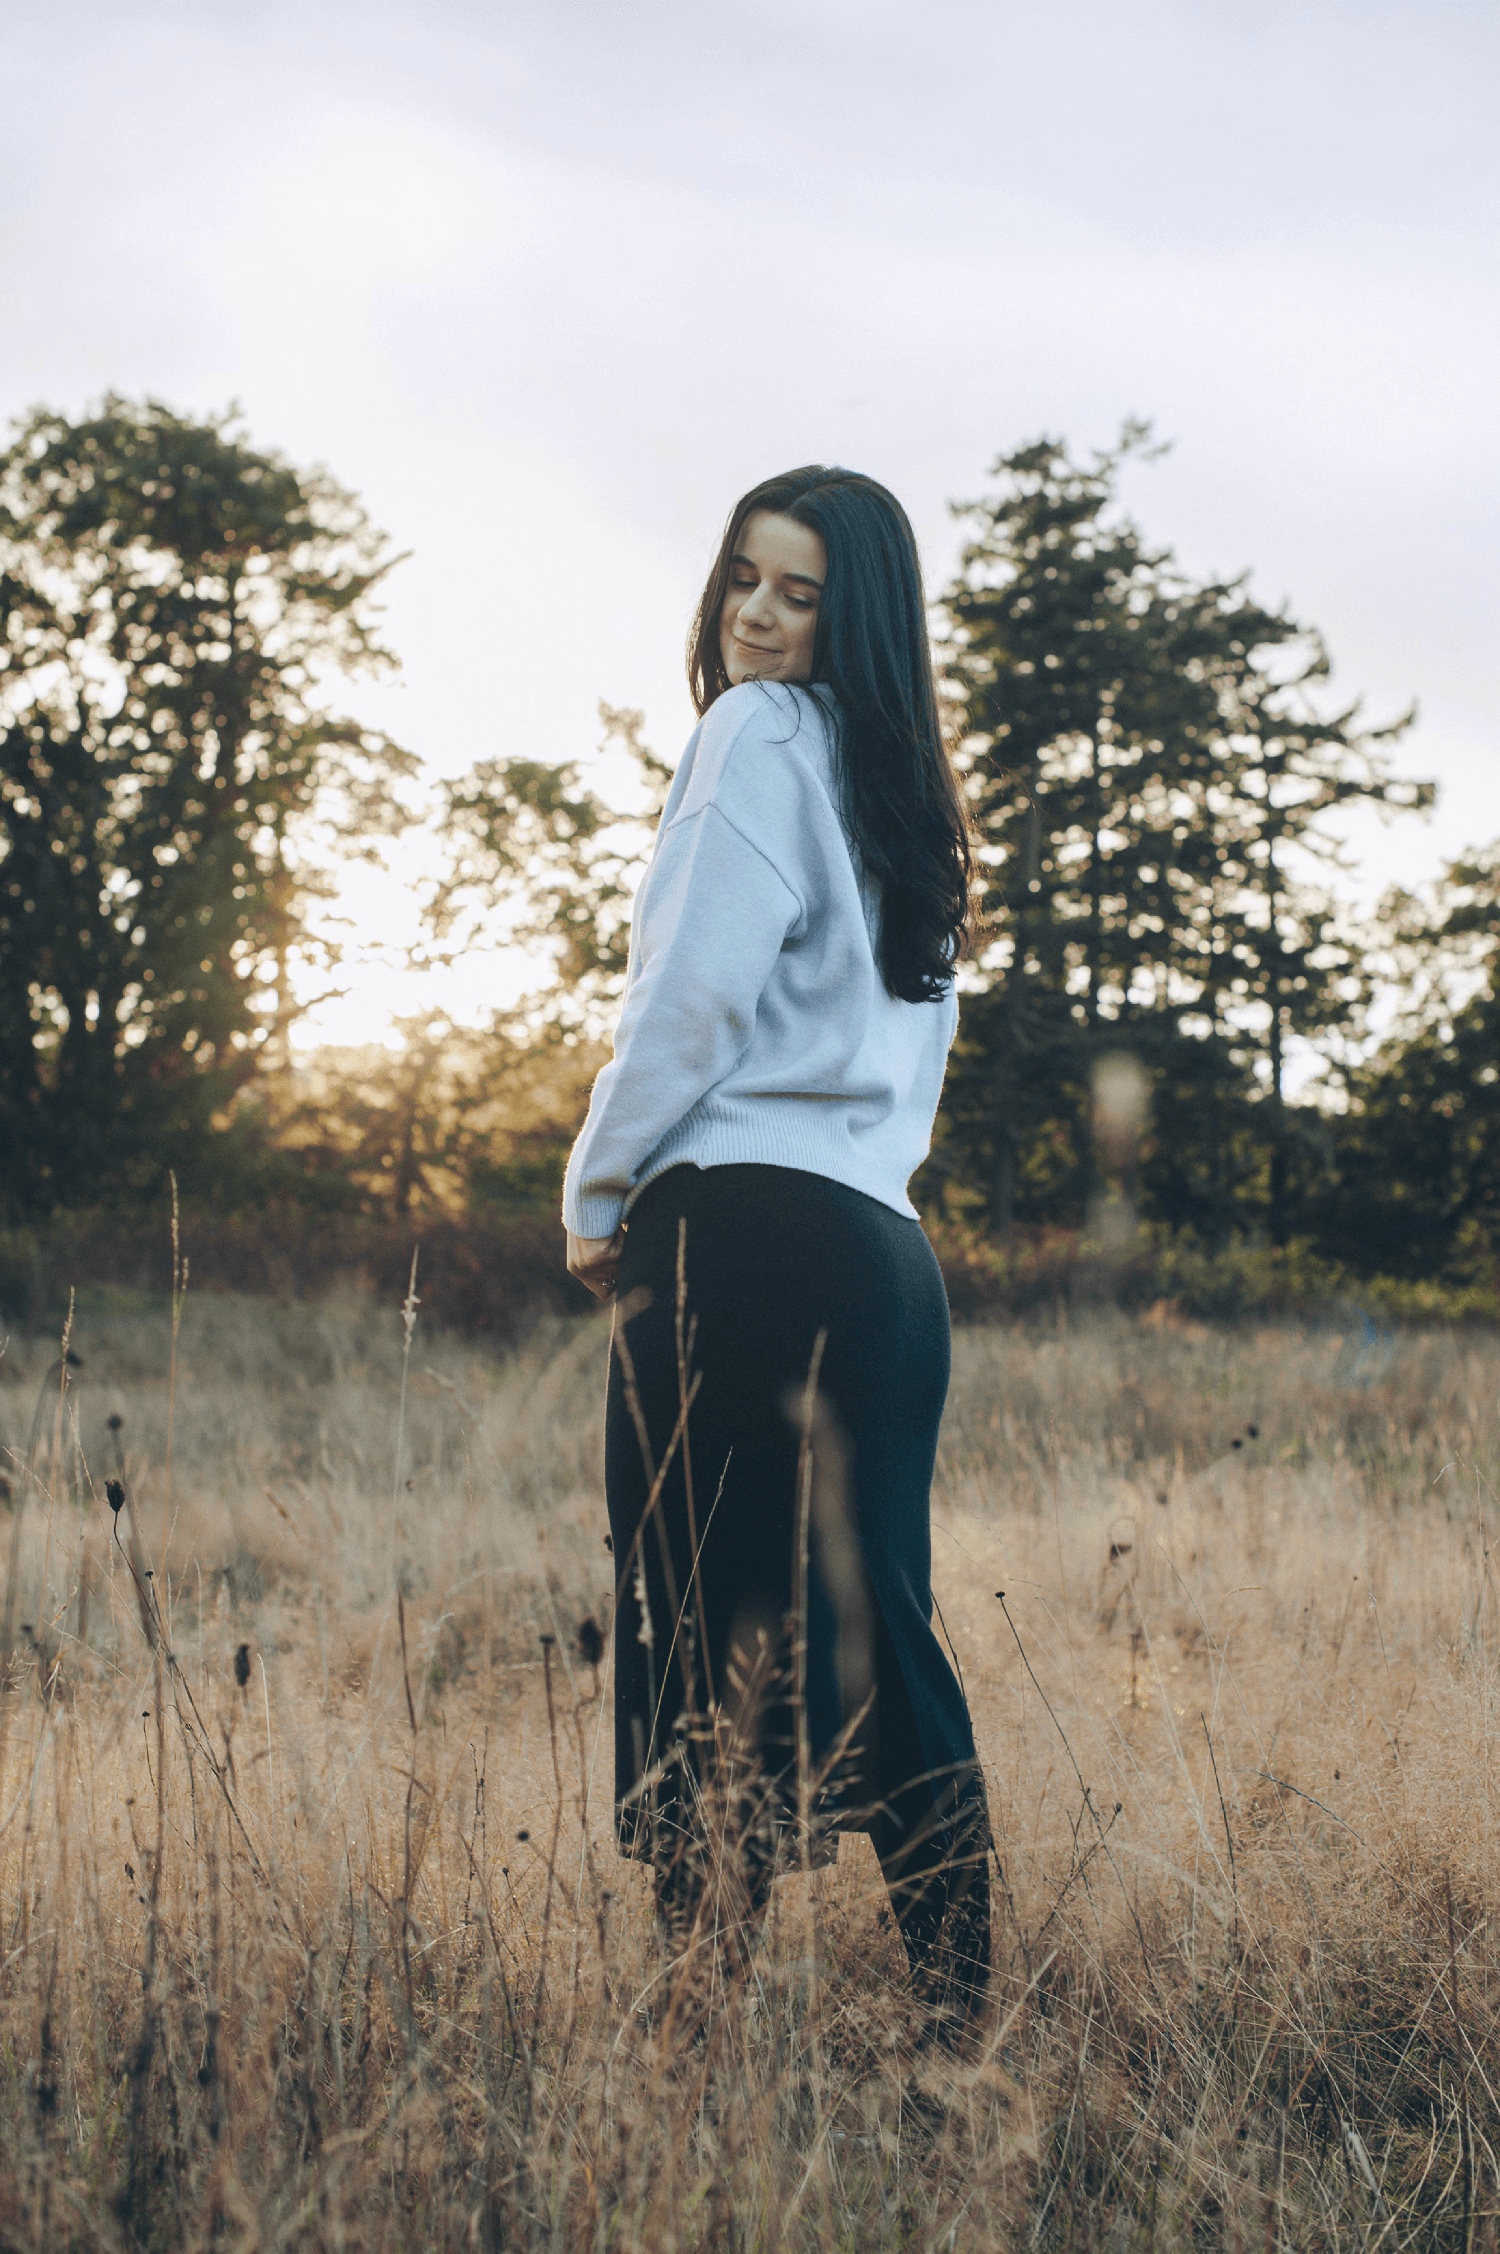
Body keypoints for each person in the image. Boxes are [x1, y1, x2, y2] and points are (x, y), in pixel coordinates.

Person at [562, 465, 990, 2035]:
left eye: (797, 593)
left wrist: (598, 1189)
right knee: (884, 1630)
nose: (752, 614)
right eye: (743, 575)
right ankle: (963, 2007)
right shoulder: (910, 798)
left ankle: (697, 2027)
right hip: (886, 1263)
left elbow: (687, 998)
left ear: (851, 619)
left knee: (701, 1626)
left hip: (738, 1234)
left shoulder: (752, 736)